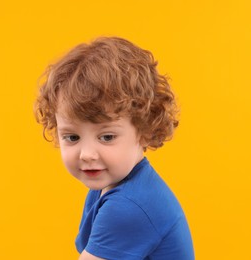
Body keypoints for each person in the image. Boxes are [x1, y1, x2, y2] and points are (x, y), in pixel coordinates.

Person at [34, 36, 194, 260]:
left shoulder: (129, 206)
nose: (87, 154)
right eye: (72, 137)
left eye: (107, 137)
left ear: (144, 130)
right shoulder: (111, 184)